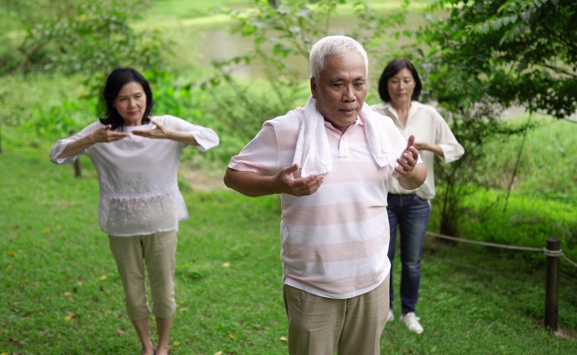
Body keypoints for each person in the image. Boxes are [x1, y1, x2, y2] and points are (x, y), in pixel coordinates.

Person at [223, 36, 427, 355]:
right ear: (314, 86)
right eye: (337, 84)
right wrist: (278, 183)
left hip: (372, 281)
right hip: (312, 286)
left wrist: (411, 168)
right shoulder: (286, 130)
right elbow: (233, 175)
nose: (350, 96)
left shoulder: (382, 128)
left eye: (358, 84)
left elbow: (417, 178)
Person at [49, 67, 220, 355]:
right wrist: (91, 140)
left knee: (163, 287)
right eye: (123, 99)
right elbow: (57, 155)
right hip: (121, 224)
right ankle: (146, 345)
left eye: (137, 96)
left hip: (162, 220)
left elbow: (210, 138)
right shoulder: (101, 133)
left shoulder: (163, 125)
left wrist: (171, 135)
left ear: (147, 96)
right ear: (112, 103)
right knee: (132, 290)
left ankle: (163, 346)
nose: (132, 105)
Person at [372, 59, 464, 334]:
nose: (401, 86)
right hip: (383, 199)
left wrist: (428, 146)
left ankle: (408, 312)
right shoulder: (375, 114)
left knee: (412, 261)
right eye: (394, 80)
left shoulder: (429, 115)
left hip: (417, 202)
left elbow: (455, 148)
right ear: (385, 84)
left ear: (415, 84)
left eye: (407, 80)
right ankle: (384, 309)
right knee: (382, 258)